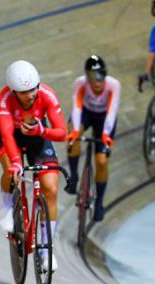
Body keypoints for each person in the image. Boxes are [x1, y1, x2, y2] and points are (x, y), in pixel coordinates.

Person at [0, 60, 66, 271]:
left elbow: (61, 132)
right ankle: (7, 207)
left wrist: (41, 131)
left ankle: (46, 250)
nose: (31, 94)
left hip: (37, 137)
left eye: (34, 88)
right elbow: (7, 133)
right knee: (11, 170)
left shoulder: (47, 95)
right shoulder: (5, 97)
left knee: (51, 189)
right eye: (25, 92)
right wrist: (16, 163)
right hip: (11, 138)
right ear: (14, 91)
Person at [65, 55, 121, 221]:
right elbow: (76, 107)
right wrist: (75, 131)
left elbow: (112, 112)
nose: (97, 82)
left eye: (101, 77)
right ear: (87, 78)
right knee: (71, 136)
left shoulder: (113, 85)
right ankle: (74, 176)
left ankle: (99, 203)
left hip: (104, 119)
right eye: (93, 79)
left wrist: (105, 135)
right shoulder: (80, 83)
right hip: (86, 114)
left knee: (102, 161)